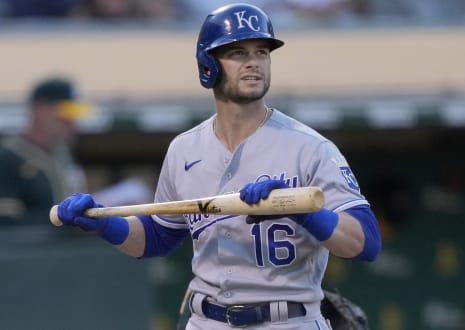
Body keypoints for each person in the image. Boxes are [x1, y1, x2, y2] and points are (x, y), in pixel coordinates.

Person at [55, 3, 382, 329]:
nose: (254, 62)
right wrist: (102, 224)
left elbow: (365, 242)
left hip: (286, 320)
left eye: (262, 52)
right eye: (238, 53)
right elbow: (156, 237)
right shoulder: (184, 149)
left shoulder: (310, 148)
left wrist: (303, 212)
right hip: (206, 319)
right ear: (208, 65)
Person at [0, 77, 90, 225]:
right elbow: (7, 227)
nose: (71, 122)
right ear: (39, 109)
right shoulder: (7, 159)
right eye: (65, 113)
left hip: (68, 247)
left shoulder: (64, 156)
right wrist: (62, 219)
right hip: (29, 248)